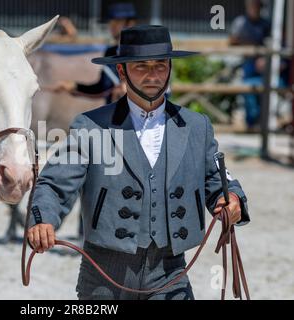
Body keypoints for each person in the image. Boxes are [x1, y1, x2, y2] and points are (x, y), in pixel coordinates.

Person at [27, 25, 250, 300]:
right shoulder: (91, 126)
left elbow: (217, 180)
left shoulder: (196, 126)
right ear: (122, 72)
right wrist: (44, 218)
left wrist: (232, 198)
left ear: (169, 68)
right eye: (141, 66)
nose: (152, 75)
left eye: (160, 66)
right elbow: (55, 182)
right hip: (104, 275)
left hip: (170, 272)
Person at [49, 2, 138, 104]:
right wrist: (74, 86)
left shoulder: (141, 53)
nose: (111, 25)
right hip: (114, 115)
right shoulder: (110, 52)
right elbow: (101, 88)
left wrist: (131, 91)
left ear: (130, 23)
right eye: (110, 21)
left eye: (117, 21)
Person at [229, 0, 272, 131]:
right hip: (246, 63)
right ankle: (251, 124)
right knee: (248, 89)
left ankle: (257, 124)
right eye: (252, 5)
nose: (254, 8)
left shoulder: (266, 24)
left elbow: (271, 43)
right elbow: (232, 41)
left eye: (256, 5)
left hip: (264, 63)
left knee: (263, 92)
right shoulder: (240, 22)